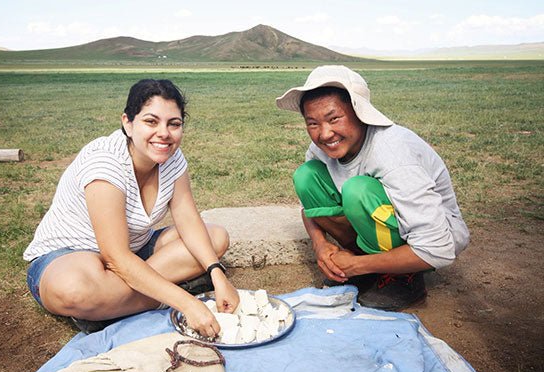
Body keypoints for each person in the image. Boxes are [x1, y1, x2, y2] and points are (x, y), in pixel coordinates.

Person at [24, 78, 239, 335]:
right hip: (70, 256)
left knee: (215, 237)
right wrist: (186, 303)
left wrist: (217, 274)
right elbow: (115, 257)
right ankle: (156, 294)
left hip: (135, 250)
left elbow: (188, 220)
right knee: (73, 289)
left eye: (174, 124)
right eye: (151, 121)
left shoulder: (172, 158)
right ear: (128, 122)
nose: (164, 133)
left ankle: (109, 307)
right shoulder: (105, 161)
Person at [276, 65, 470, 311]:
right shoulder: (320, 150)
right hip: (383, 235)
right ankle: (369, 267)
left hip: (433, 239)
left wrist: (357, 265)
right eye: (312, 123)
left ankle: (404, 279)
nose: (324, 134)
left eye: (334, 118)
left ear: (359, 113)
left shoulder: (391, 151)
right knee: (307, 176)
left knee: (358, 191)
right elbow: (309, 209)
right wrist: (320, 245)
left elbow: (438, 248)